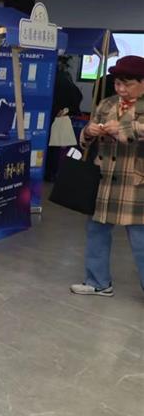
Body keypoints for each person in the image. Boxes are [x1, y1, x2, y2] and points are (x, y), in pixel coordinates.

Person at [70, 55, 144, 297]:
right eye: (117, 83)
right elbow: (85, 140)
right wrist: (89, 132)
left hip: (136, 182)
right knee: (96, 231)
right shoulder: (106, 105)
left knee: (140, 240)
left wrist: (122, 129)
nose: (120, 89)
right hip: (104, 180)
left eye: (127, 84)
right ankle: (98, 281)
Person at [46, 56, 83, 181]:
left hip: (48, 115)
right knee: (55, 147)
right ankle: (51, 173)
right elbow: (78, 95)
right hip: (60, 117)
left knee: (49, 146)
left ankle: (48, 172)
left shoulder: (49, 78)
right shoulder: (65, 79)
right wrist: (69, 109)